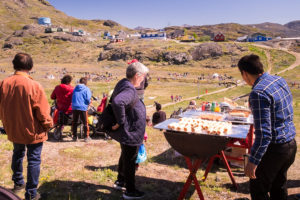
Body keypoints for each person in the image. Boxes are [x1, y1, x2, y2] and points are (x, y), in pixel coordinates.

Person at [238, 54, 297, 200]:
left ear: (245, 74)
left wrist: (253, 161)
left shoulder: (258, 93)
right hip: (290, 144)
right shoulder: (278, 79)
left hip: (275, 148)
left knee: (258, 189)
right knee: (279, 185)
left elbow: (264, 134)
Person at [0, 53, 53, 200]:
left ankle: (18, 183)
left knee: (17, 153)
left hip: (13, 128)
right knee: (34, 159)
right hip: (32, 130)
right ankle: (31, 194)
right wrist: (49, 124)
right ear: (30, 67)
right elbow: (42, 112)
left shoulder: (4, 83)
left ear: (14, 65)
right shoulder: (34, 85)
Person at [111, 61, 149, 199]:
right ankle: (130, 191)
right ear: (138, 75)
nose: (144, 79)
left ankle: (121, 181)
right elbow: (118, 102)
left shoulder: (124, 83)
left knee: (126, 156)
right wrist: (121, 122)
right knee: (130, 160)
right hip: (130, 130)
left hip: (128, 130)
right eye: (144, 76)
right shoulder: (129, 89)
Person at [71, 77, 92, 142]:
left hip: (74, 106)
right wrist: (89, 104)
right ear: (86, 82)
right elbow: (88, 98)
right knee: (85, 122)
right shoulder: (86, 89)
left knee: (75, 121)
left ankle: (74, 136)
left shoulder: (75, 88)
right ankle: (86, 137)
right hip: (83, 107)